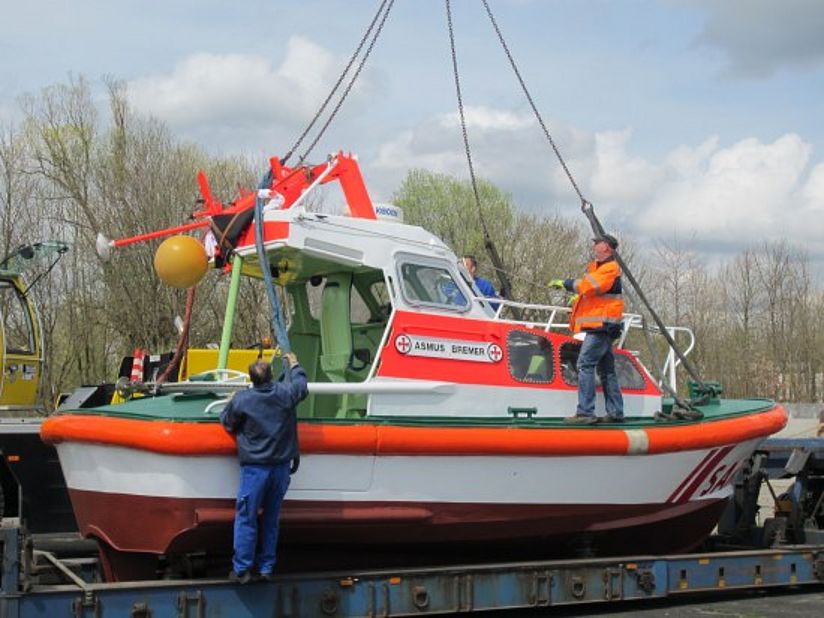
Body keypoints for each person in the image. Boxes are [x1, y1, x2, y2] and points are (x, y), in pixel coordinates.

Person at [220, 353, 308, 583]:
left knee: (247, 518)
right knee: (271, 519)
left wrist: (231, 402)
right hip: (280, 469)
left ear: (251, 379)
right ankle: (266, 567)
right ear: (271, 377)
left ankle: (242, 570)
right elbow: (301, 385)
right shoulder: (285, 394)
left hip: (255, 470)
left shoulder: (242, 400)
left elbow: (227, 422)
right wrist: (295, 364)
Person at [549, 234, 624, 425]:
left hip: (601, 327)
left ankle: (585, 412)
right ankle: (615, 412)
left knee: (585, 364)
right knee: (607, 370)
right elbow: (593, 292)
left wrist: (566, 284)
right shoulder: (600, 268)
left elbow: (589, 287)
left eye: (597, 244)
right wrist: (579, 298)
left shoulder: (609, 268)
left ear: (606, 247)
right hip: (602, 327)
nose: (594, 247)